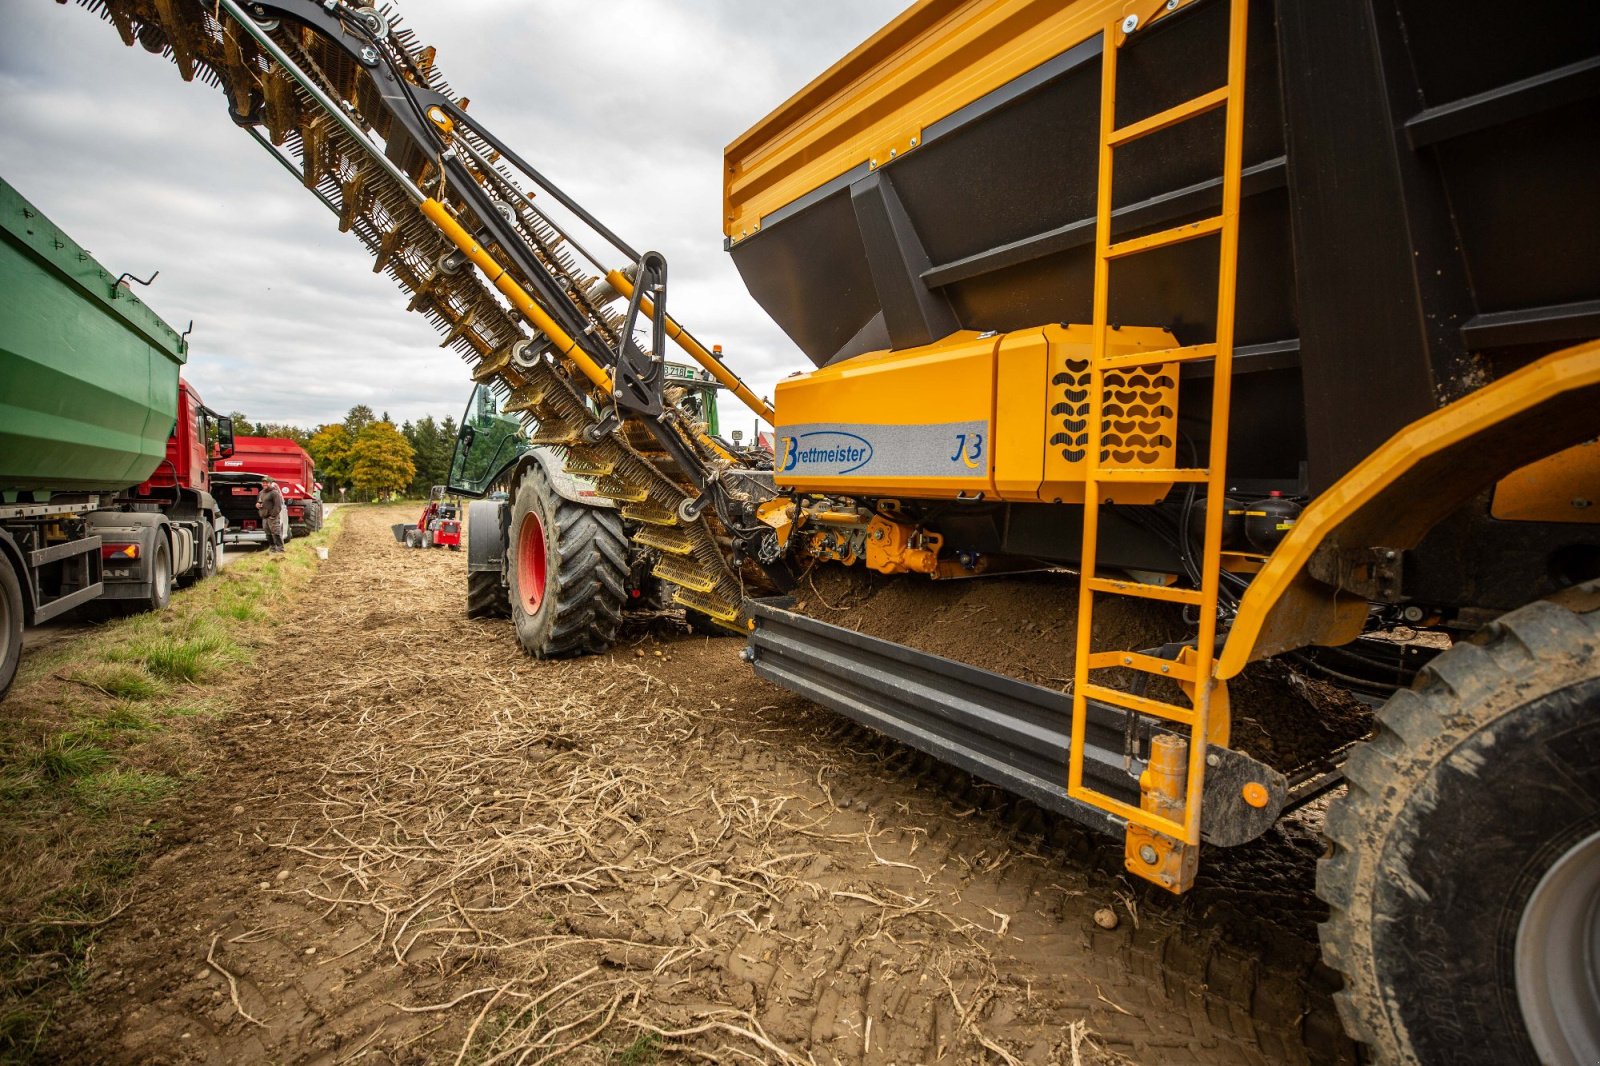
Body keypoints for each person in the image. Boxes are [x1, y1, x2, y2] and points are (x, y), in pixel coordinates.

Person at [257, 477, 286, 554]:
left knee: (276, 533)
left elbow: (278, 506)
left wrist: (272, 516)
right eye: (263, 482)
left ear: (270, 483)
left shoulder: (274, 493)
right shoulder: (261, 493)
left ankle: (280, 549)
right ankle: (272, 548)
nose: (265, 484)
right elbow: (259, 502)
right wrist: (257, 505)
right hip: (264, 517)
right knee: (268, 534)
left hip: (272, 517)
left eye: (266, 482)